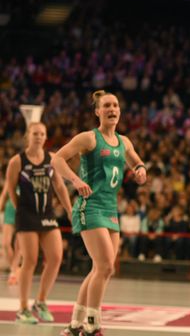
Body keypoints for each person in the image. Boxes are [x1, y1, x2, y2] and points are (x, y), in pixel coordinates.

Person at [52, 90, 148, 336]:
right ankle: (92, 326)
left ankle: (75, 325)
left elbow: (137, 162)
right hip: (90, 206)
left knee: (101, 269)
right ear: (97, 111)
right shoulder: (89, 139)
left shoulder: (124, 141)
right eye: (106, 105)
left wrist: (140, 171)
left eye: (115, 105)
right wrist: (75, 180)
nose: (112, 109)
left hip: (110, 208)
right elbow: (57, 160)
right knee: (104, 267)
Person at [3, 122, 72, 324]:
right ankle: (23, 308)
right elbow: (10, 189)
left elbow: (59, 186)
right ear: (28, 136)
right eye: (35, 133)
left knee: (56, 257)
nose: (39, 137)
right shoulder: (17, 161)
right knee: (30, 261)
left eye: (42, 134)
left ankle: (40, 301)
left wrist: (69, 210)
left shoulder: (51, 159)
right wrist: (20, 211)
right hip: (27, 215)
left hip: (47, 214)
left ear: (45, 136)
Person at [0, 186, 21, 286]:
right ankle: (16, 270)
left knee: (19, 246)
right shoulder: (11, 174)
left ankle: (13, 273)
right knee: (5, 243)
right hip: (10, 210)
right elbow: (4, 195)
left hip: (23, 210)